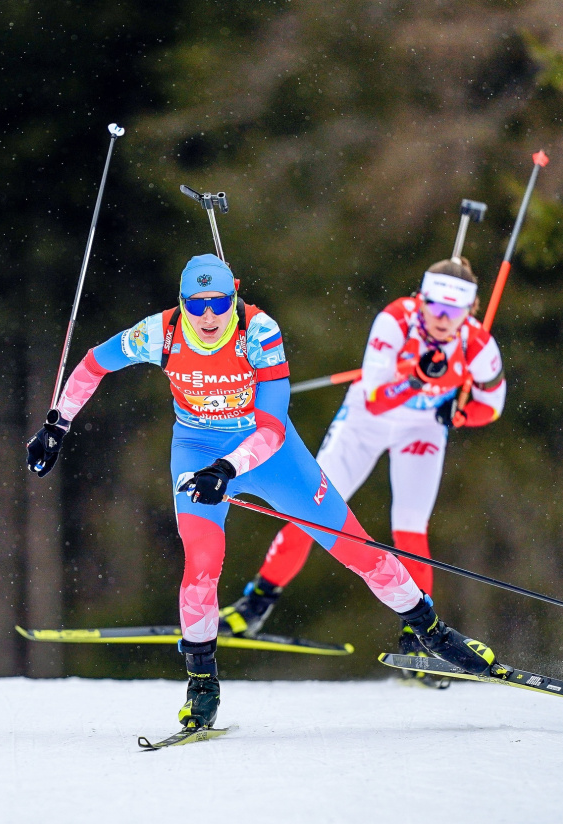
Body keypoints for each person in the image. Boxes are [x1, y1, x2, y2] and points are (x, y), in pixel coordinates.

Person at [26, 254, 498, 728]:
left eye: (218, 303)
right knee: (201, 565)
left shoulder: (259, 332)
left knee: (359, 550)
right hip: (197, 450)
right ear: (181, 303)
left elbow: (272, 428)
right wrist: (58, 424)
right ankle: (202, 685)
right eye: (196, 304)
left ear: (234, 297)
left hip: (272, 456)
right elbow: (93, 364)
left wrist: (227, 468)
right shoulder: (159, 333)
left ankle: (433, 634)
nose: (207, 316)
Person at [221, 258, 506, 685]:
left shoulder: (478, 345)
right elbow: (375, 397)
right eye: (435, 306)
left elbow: (492, 406)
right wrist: (416, 379)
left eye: (455, 310)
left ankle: (417, 641)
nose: (443, 319)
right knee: (308, 511)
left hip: (421, 428)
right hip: (365, 422)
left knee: (410, 527)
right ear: (421, 299)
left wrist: (459, 413)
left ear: (470, 310)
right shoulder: (395, 321)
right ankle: (255, 606)